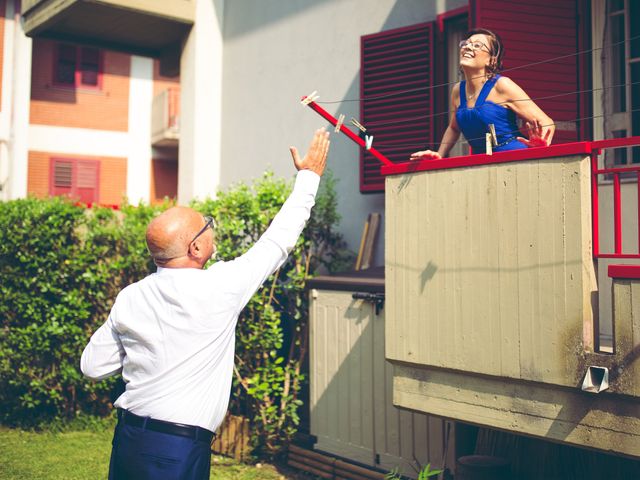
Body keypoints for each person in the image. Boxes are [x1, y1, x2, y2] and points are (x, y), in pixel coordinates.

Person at [80, 128, 331, 480]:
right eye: (206, 226)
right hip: (179, 450)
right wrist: (309, 177)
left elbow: (92, 366)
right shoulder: (220, 286)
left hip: (127, 441)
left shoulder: (130, 296)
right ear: (195, 249)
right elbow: (279, 240)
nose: (212, 229)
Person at [410, 28, 554, 160]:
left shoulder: (502, 85)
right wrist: (439, 154)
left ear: (491, 60)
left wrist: (540, 147)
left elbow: (547, 123)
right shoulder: (457, 91)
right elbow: (454, 127)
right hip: (481, 163)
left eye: (477, 45)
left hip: (515, 159)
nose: (468, 46)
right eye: (466, 43)